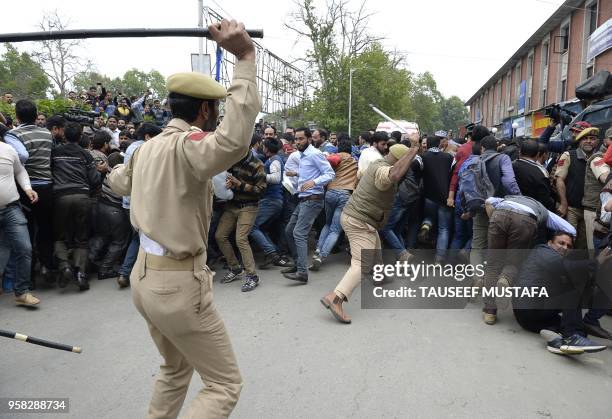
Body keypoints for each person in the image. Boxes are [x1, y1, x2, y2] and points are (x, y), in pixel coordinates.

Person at [107, 19, 259, 418]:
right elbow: (234, 140)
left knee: (175, 370)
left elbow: (117, 182)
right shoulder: (188, 145)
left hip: (144, 278)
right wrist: (244, 58)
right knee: (224, 384)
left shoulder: (145, 150)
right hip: (176, 285)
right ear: (206, 110)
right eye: (214, 112)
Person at [320, 138, 420, 324]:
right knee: (361, 264)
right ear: (399, 161)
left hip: (358, 217)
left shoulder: (376, 163)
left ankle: (380, 276)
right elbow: (392, 176)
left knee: (375, 246)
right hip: (360, 221)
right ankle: (335, 297)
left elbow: (361, 176)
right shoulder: (384, 170)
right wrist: (413, 150)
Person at [481, 195, 576, 325]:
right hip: (525, 220)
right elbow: (571, 230)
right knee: (514, 262)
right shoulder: (544, 212)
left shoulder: (507, 198)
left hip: (499, 215)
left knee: (492, 265)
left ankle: (489, 312)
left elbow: (488, 201)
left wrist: (494, 220)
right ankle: (505, 279)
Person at [513, 232, 612, 354]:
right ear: (549, 243)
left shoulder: (556, 260)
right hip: (529, 310)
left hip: (534, 320)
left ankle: (555, 341)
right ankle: (572, 337)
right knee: (573, 290)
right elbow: (566, 267)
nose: (565, 247)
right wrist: (596, 262)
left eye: (569, 246)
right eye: (561, 243)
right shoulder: (543, 251)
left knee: (579, 329)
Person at [5, 100, 55, 283]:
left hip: (26, 189)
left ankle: (29, 277)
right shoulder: (47, 133)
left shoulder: (13, 135)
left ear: (17, 117)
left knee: (27, 231)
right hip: (47, 187)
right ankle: (47, 266)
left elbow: (21, 157)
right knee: (45, 228)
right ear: (36, 116)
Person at [51, 122, 102, 290]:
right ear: (81, 137)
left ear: (64, 135)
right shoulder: (85, 155)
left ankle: (64, 265)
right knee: (82, 239)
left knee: (60, 237)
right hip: (82, 197)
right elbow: (94, 179)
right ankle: (81, 274)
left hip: (61, 198)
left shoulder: (55, 152)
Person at [282, 127, 335, 283]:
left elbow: (330, 174)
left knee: (298, 233)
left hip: (313, 199)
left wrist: (314, 182)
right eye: (296, 139)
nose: (298, 142)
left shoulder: (315, 154)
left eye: (301, 139)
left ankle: (302, 272)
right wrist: (297, 174)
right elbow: (311, 172)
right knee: (289, 230)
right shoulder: (303, 156)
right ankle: (299, 264)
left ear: (309, 139)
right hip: (304, 199)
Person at [215, 140, 267, 292]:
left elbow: (261, 190)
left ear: (250, 146)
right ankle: (235, 268)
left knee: (241, 239)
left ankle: (252, 276)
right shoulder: (231, 160)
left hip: (249, 206)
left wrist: (240, 185)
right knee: (220, 236)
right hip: (231, 205)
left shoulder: (257, 165)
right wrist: (226, 184)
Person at [0, 132, 40, 306]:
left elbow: (20, 170)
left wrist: (27, 188)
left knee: (24, 248)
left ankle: (22, 292)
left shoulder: (8, 149)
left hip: (11, 208)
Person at [312, 136, 357, 270]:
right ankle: (322, 256)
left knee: (327, 223)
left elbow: (330, 160)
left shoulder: (337, 156)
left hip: (330, 193)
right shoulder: (355, 161)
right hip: (345, 195)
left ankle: (318, 251)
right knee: (336, 230)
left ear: (339, 147)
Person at [554, 127, 601, 250]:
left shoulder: (599, 159)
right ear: (579, 141)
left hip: (590, 210)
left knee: (584, 246)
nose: (589, 141)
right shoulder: (569, 155)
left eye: (592, 139)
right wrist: (564, 204)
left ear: (597, 142)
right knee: (568, 242)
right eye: (585, 138)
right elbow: (559, 179)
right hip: (571, 209)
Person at [420, 135, 454, 263]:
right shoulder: (449, 157)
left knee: (429, 216)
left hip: (429, 196)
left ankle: (426, 226)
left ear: (427, 144)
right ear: (439, 145)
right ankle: (439, 259)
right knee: (443, 228)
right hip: (445, 197)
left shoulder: (423, 157)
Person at [512, 139, 555, 211]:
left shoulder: (509, 166)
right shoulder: (541, 172)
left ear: (519, 152)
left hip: (511, 207)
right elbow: (545, 199)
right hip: (532, 211)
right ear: (538, 154)